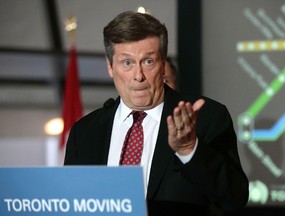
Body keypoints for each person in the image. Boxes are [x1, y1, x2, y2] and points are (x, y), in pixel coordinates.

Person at [64, 11, 249, 215]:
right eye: (127, 63)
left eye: (148, 61)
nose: (138, 76)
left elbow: (235, 199)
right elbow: (71, 205)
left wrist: (189, 149)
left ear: (163, 65)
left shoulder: (206, 117)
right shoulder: (85, 132)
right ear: (110, 67)